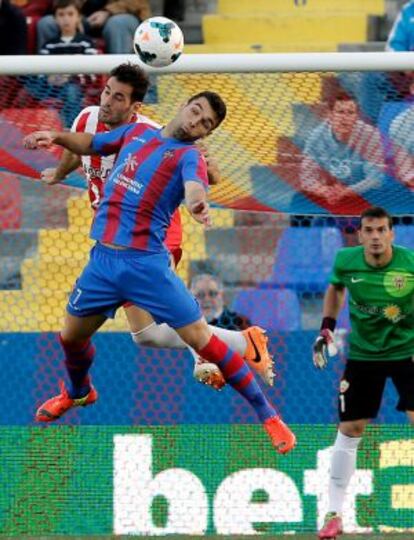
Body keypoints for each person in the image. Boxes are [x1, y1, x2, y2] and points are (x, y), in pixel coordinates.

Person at [24, 91, 295, 454]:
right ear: (184, 106)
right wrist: (55, 137)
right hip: (102, 263)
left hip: (147, 267)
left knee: (203, 342)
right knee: (71, 337)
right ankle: (78, 391)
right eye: (196, 111)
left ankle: (270, 417)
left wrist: (197, 202)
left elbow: (195, 184)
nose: (197, 121)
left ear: (206, 133)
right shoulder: (136, 135)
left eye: (205, 123)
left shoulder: (189, 156)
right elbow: (92, 142)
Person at [40, 63, 275, 392]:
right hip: (114, 239)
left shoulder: (156, 131)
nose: (107, 101)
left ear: (134, 106)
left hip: (154, 237)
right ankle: (236, 341)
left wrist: (199, 196)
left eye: (118, 97)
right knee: (146, 335)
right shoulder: (88, 118)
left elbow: (204, 170)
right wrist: (59, 173)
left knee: (171, 315)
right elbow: (81, 149)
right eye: (107, 92)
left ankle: (213, 350)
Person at [312, 206, 414, 539]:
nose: (374, 236)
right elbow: (336, 287)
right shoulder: (346, 261)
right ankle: (334, 514)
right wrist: (327, 326)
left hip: (407, 353)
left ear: (391, 234)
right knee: (350, 428)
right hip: (364, 354)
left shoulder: (409, 265)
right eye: (368, 230)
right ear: (360, 234)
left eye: (381, 230)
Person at [298, 92, 385, 220]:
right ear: (330, 115)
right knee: (298, 201)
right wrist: (325, 191)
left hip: (363, 193)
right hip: (329, 193)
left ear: (357, 116)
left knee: (383, 197)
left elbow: (375, 178)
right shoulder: (316, 137)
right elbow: (307, 177)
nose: (345, 118)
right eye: (340, 112)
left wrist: (346, 191)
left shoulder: (370, 135)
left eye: (350, 113)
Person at [37, 0, 151, 53]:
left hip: (116, 17)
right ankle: (46, 83)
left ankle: (121, 80)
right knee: (46, 23)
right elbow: (60, 4)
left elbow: (137, 2)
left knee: (117, 23)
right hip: (80, 18)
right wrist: (75, 16)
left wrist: (108, 12)